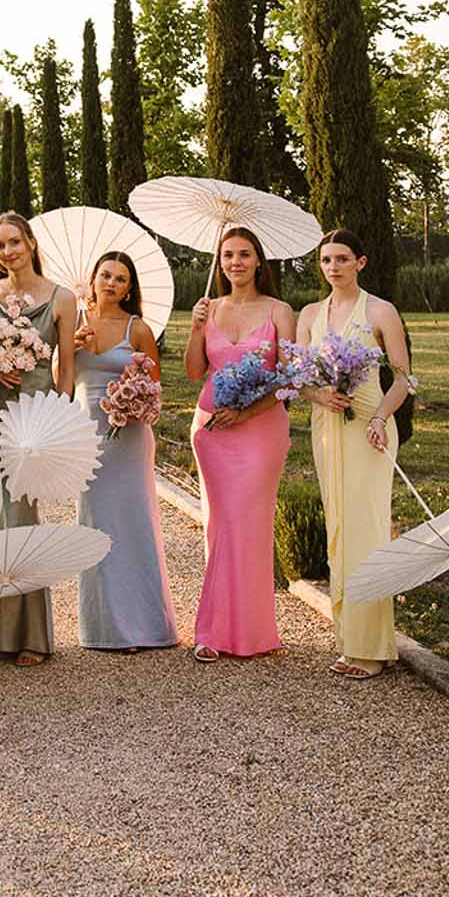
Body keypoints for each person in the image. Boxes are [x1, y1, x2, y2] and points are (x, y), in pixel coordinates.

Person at [295, 229, 411, 680]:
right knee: (339, 527)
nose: (333, 267)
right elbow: (301, 377)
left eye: (342, 259)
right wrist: (319, 396)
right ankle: (348, 640)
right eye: (326, 260)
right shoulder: (309, 314)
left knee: (366, 528)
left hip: (369, 429)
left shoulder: (382, 311)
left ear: (360, 262)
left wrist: (382, 418)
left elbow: (402, 379)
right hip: (327, 426)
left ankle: (371, 645)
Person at [184, 226, 296, 662]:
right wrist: (196, 329)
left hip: (261, 431)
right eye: (228, 255)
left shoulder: (279, 310)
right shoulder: (208, 309)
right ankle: (214, 631)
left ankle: (246, 631)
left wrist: (247, 411)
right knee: (220, 524)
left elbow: (288, 377)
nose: (235, 262)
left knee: (245, 525)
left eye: (244, 254)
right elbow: (195, 373)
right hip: (211, 431)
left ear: (258, 262)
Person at [0, 212, 76, 664]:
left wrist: (58, 425)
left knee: (22, 519)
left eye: (14, 242)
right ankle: (3, 631)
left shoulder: (62, 298)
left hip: (33, 421)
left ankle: (32, 636)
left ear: (31, 243)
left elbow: (67, 374)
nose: (8, 251)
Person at [72, 250, 178, 652]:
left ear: (129, 287)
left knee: (132, 523)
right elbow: (61, 380)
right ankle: (104, 628)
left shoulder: (138, 329)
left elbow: (154, 388)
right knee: (95, 524)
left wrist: (129, 395)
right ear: (93, 279)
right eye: (105, 275)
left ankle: (142, 626)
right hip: (87, 435)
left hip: (128, 437)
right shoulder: (76, 324)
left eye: (120, 278)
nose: (111, 284)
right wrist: (68, 344)